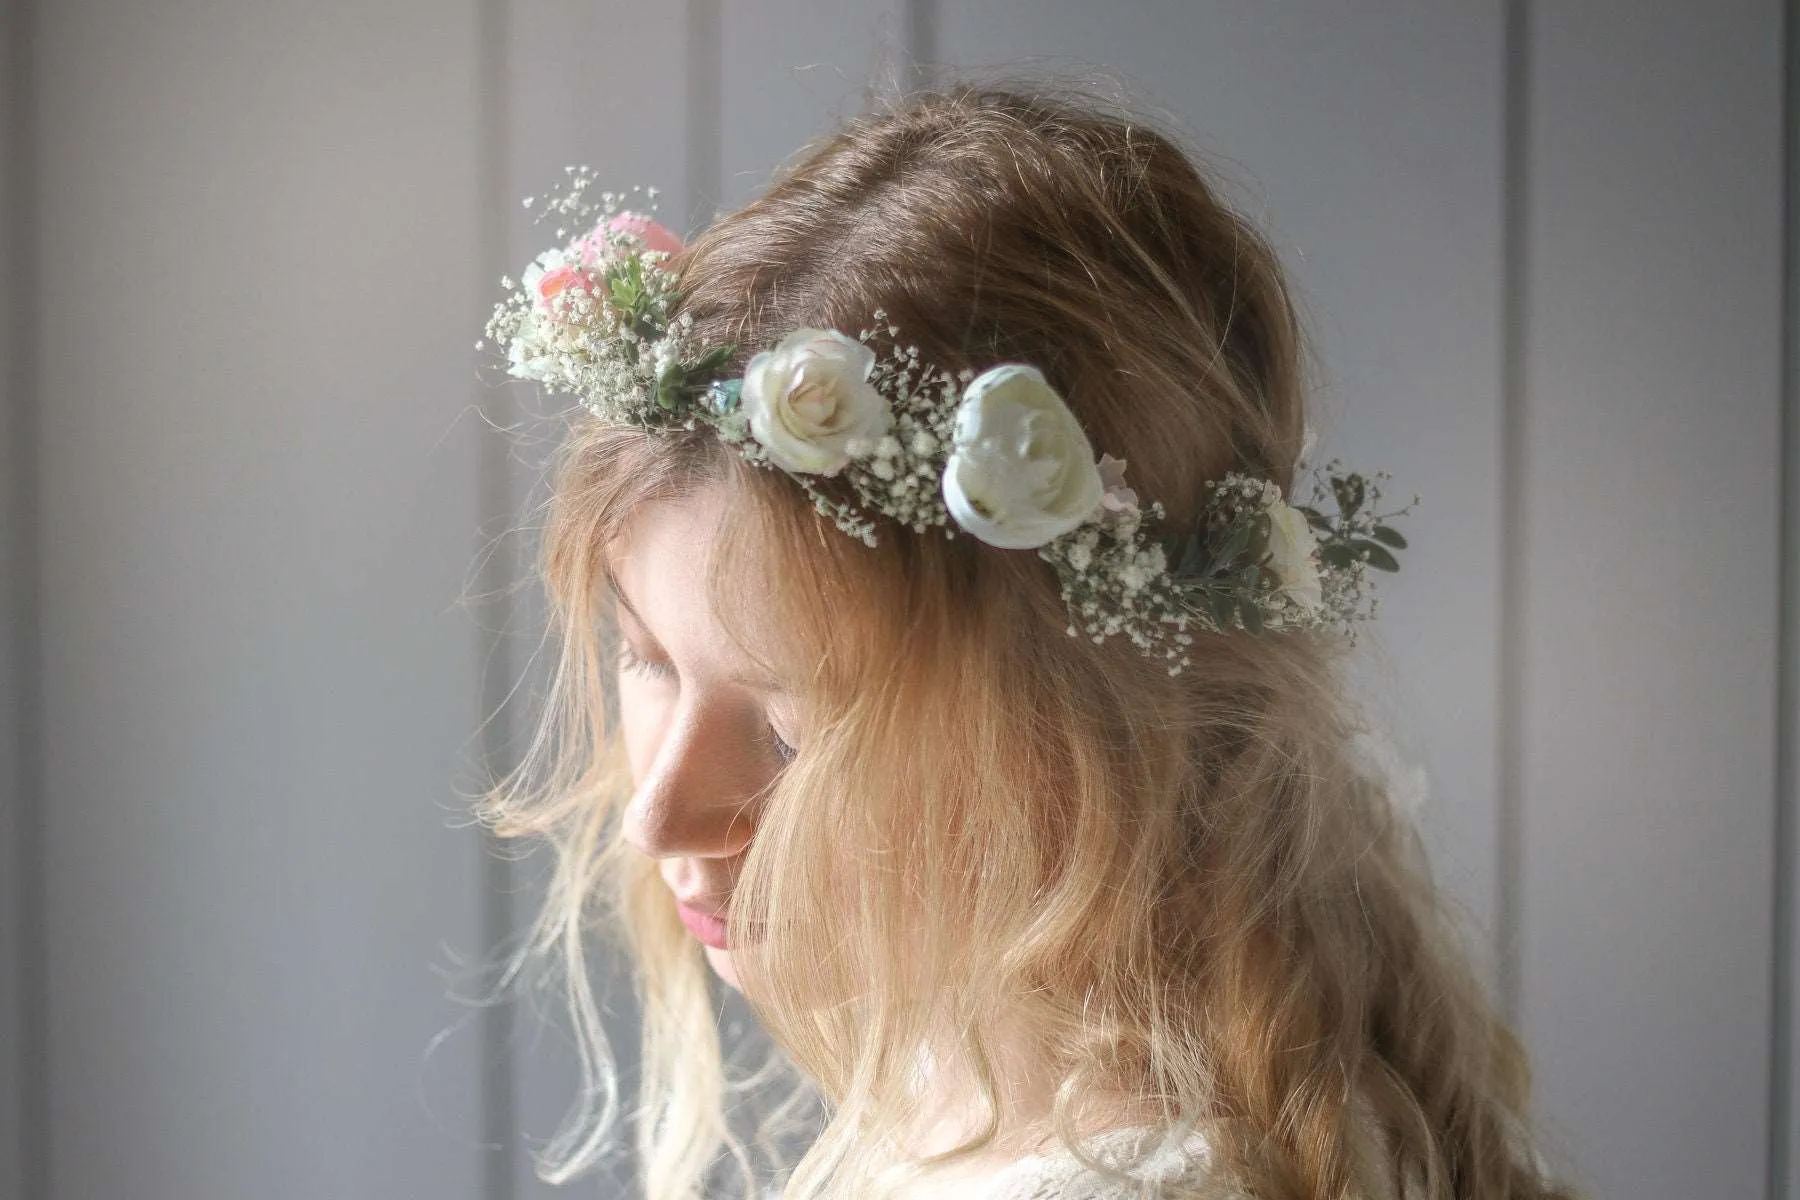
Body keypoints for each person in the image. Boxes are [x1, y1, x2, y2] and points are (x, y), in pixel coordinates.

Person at [478, 82, 1582, 1200]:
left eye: (792, 730)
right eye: (649, 658)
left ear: (1095, 734)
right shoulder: (976, 1056)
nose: (659, 812)